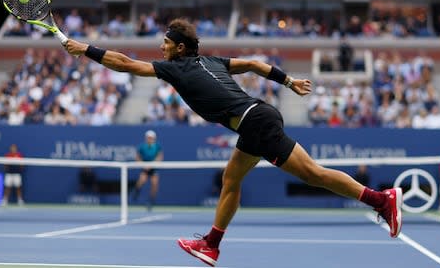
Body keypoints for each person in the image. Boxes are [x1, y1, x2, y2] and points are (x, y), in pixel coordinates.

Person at [65, 18, 402, 267]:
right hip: (259, 116)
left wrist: (85, 49)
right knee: (236, 179)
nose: (161, 47)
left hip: (254, 122)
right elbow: (255, 64)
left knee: (311, 175)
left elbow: (125, 64)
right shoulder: (212, 62)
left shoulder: (177, 69)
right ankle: (211, 244)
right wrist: (288, 81)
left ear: (180, 48)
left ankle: (380, 201)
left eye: (166, 43)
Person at [131, 130, 163, 210]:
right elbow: (137, 157)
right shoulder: (142, 146)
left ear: (154, 138)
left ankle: (151, 201)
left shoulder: (157, 146)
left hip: (153, 168)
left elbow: (160, 157)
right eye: (148, 138)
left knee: (155, 184)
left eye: (151, 138)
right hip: (145, 168)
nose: (150, 139)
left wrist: (152, 164)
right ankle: (136, 193)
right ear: (146, 138)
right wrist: (143, 165)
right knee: (141, 181)